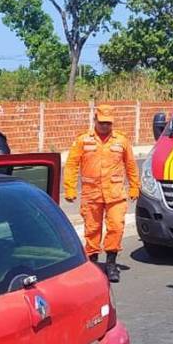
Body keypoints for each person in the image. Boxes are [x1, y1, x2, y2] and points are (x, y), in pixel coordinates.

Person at [63, 104, 139, 282]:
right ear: (94, 120)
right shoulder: (83, 140)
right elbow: (72, 164)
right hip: (92, 194)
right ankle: (93, 263)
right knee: (92, 229)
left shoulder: (121, 141)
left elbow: (130, 165)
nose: (105, 126)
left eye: (108, 123)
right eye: (102, 122)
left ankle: (111, 263)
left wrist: (135, 186)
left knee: (116, 227)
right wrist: (70, 188)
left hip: (115, 193)